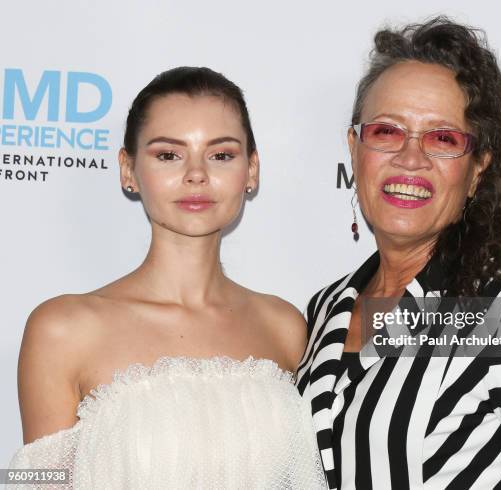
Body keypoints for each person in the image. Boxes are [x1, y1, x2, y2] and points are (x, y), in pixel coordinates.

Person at [296, 17, 501, 490]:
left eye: (443, 138)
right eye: (386, 131)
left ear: (478, 169)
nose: (411, 158)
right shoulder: (326, 309)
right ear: (354, 148)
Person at [8, 67, 326, 489]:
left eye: (221, 155)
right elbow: (34, 482)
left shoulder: (285, 326)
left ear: (251, 170)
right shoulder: (61, 328)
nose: (196, 174)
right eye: (168, 155)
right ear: (128, 169)